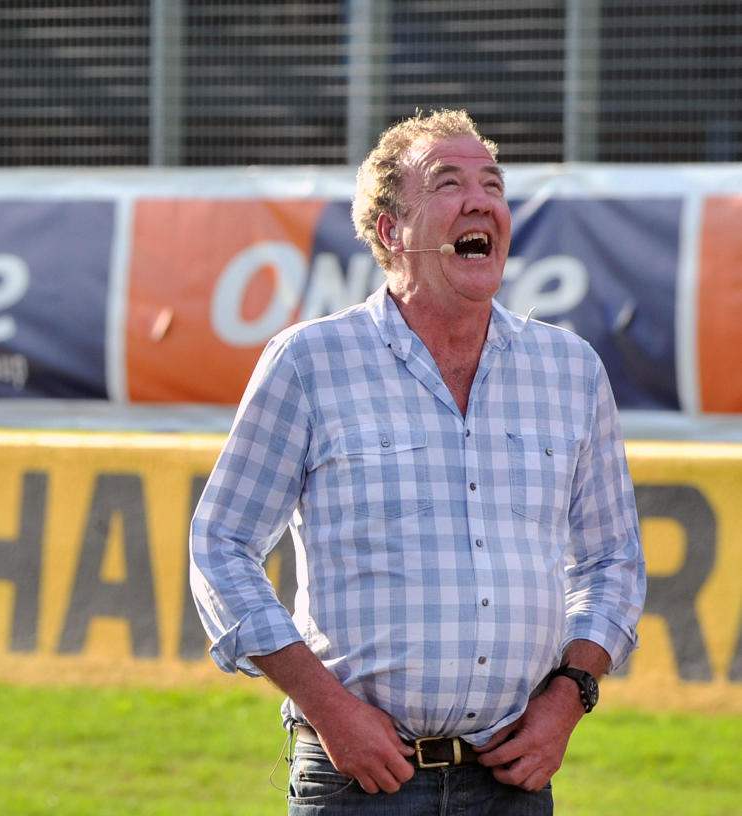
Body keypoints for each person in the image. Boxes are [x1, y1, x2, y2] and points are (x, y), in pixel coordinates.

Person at [189, 110, 645, 815]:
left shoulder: (570, 370)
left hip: (512, 786)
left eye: (493, 184)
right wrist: (327, 708)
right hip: (359, 782)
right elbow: (220, 546)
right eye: (448, 182)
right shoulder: (310, 362)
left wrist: (569, 698)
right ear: (390, 232)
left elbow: (613, 560)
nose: (482, 201)